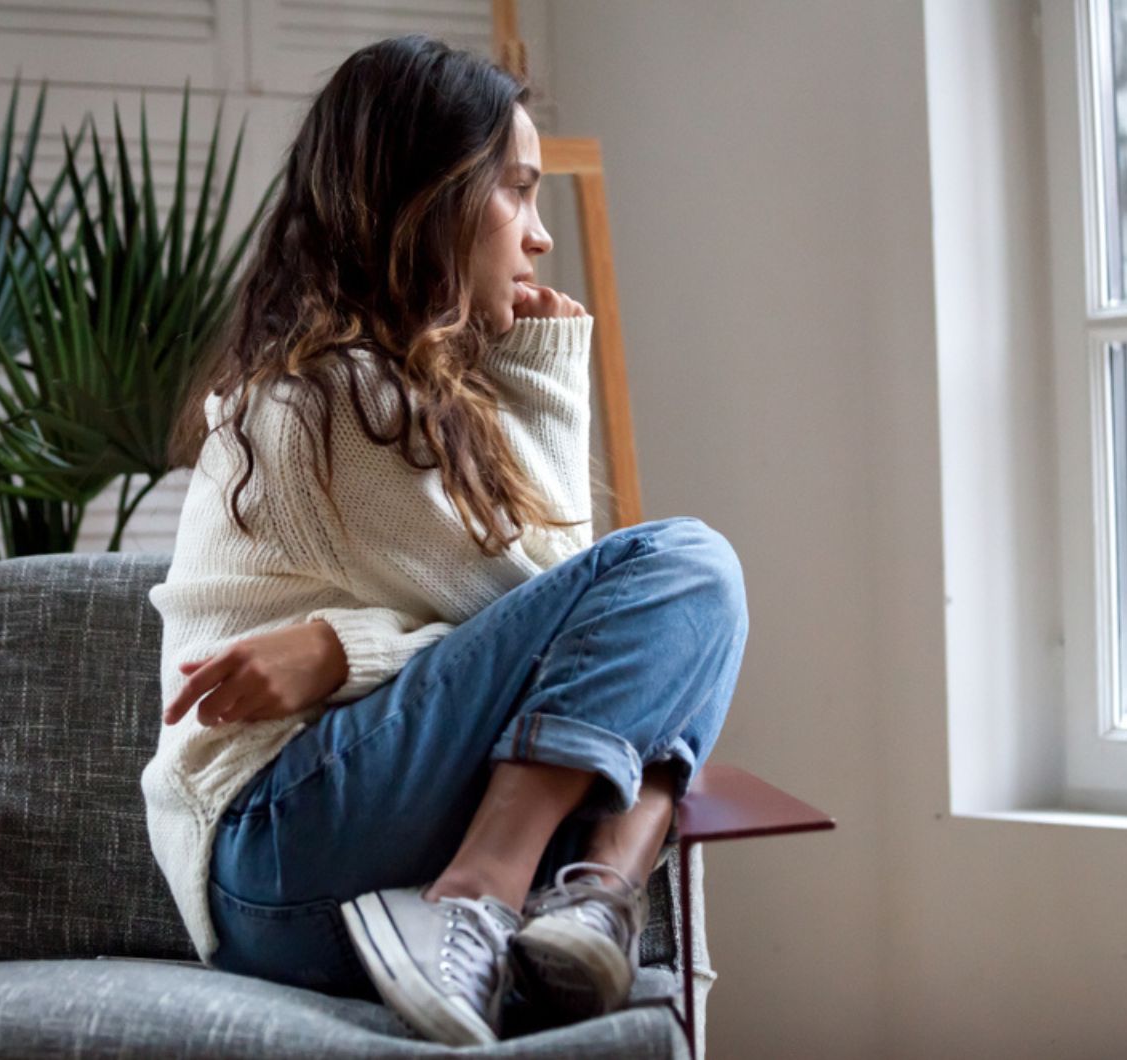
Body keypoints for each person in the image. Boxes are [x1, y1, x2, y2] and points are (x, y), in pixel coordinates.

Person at [142, 32, 749, 1048]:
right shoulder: (329, 399)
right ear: (428, 198)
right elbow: (571, 604)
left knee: (661, 642)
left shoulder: (402, 394)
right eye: (515, 192)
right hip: (280, 841)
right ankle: (512, 889)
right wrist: (550, 370)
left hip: (329, 858)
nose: (539, 238)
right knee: (689, 570)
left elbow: (571, 653)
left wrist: (344, 649)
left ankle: (584, 901)